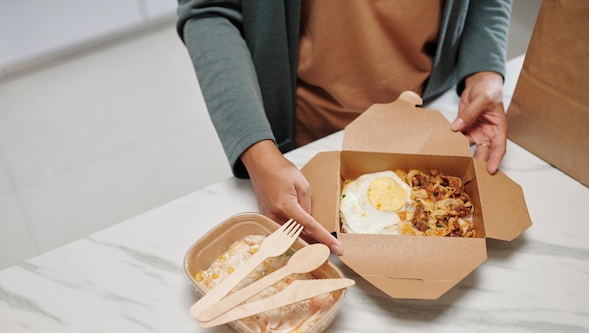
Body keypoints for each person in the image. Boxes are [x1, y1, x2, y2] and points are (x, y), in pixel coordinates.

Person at [177, 0, 512, 255]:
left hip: (435, 116)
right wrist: (259, 154)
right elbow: (211, 10)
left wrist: (485, 71)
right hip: (309, 132)